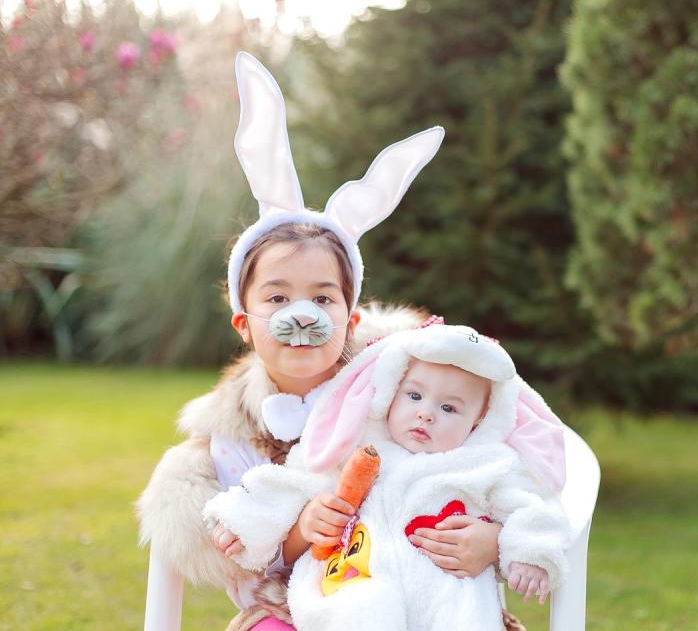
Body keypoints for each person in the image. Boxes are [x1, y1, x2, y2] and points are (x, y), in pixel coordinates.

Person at [137, 52, 508, 631]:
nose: (302, 316)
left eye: (323, 298)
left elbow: (502, 462)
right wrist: (297, 534)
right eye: (278, 299)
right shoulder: (235, 442)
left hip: (428, 600)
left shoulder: (412, 386)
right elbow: (248, 558)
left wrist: (494, 539)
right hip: (296, 609)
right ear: (244, 323)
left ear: (352, 317)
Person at [203, 321, 571, 631]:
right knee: (366, 607)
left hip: (447, 599)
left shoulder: (487, 464)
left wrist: (526, 550)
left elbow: (532, 508)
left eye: (448, 407)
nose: (426, 414)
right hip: (357, 588)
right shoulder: (359, 448)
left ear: (478, 421)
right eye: (414, 396)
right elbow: (296, 483)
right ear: (391, 393)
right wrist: (243, 520)